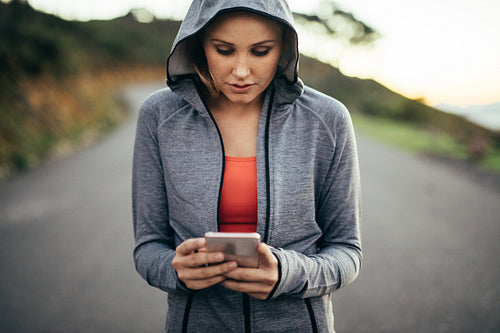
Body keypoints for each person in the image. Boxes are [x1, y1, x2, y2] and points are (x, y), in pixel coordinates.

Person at [132, 0, 362, 332]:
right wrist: (174, 269)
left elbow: (347, 252)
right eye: (224, 50)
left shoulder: (327, 120)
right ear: (199, 43)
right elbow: (147, 245)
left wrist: (287, 273)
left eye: (260, 51)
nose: (241, 71)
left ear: (285, 46)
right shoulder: (159, 117)